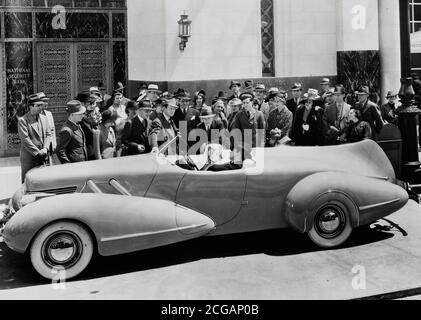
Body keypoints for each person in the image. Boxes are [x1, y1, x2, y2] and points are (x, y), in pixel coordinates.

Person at [18, 93, 52, 182]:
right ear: (30, 107)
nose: (41, 108)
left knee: (43, 180)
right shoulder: (23, 120)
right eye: (38, 105)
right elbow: (25, 139)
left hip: (43, 155)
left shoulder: (44, 118)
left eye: (42, 105)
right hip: (30, 157)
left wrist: (45, 148)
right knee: (28, 181)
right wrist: (38, 152)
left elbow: (49, 134)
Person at [231, 92, 266, 161]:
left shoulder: (259, 114)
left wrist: (261, 146)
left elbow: (262, 132)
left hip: (255, 145)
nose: (245, 105)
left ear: (252, 102)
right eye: (243, 103)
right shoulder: (239, 115)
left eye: (247, 103)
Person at [78, 92, 102, 161]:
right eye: (88, 102)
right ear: (82, 103)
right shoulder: (80, 117)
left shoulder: (88, 114)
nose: (89, 104)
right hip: (86, 151)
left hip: (93, 148)